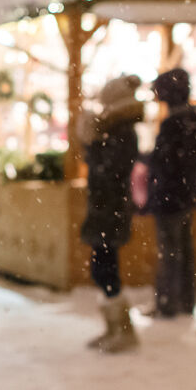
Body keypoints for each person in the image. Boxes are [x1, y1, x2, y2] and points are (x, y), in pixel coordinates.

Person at [78, 75, 143, 353]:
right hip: (105, 207)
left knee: (106, 269)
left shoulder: (122, 131)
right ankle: (114, 326)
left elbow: (109, 170)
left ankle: (123, 330)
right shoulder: (114, 129)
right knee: (101, 268)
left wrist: (90, 145)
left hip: (110, 208)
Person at [146, 68, 196, 317]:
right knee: (182, 249)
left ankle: (169, 303)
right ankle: (184, 301)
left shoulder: (174, 123)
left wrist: (150, 163)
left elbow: (165, 162)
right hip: (185, 193)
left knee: (171, 250)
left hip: (171, 195)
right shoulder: (193, 120)